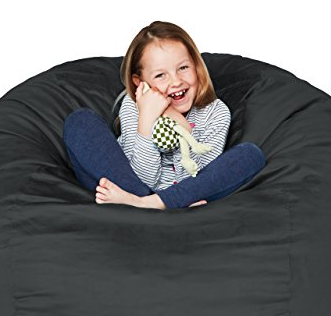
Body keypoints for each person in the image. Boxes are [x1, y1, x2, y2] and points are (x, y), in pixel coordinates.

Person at [62, 20, 266, 210]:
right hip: (128, 187)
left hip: (147, 199)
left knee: (250, 155)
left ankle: (147, 206)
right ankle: (153, 206)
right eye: (160, 75)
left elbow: (199, 178)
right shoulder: (133, 106)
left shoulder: (215, 112)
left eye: (183, 68)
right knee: (80, 122)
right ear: (139, 82)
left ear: (196, 67)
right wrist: (147, 119)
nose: (176, 82)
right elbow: (142, 177)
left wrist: (179, 121)